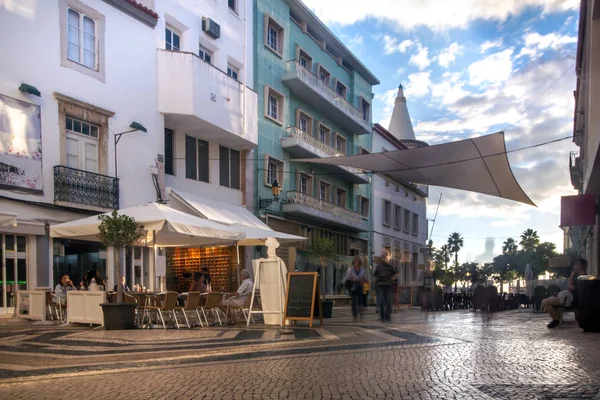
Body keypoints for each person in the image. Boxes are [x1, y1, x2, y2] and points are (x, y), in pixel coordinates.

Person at [542, 258, 587, 329]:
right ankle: (557, 319)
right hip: (568, 297)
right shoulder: (580, 277)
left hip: (570, 299)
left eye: (575, 265)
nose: (574, 267)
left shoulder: (581, 278)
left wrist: (571, 275)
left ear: (580, 266)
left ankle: (556, 319)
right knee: (549, 301)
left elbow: (570, 287)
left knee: (545, 302)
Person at [374, 249, 398, 322]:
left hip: (388, 286)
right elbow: (375, 274)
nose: (384, 257)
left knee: (388, 301)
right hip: (381, 286)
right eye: (382, 255)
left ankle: (388, 316)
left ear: (388, 257)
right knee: (381, 302)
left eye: (385, 255)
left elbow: (394, 275)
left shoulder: (390, 266)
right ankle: (382, 317)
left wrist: (392, 278)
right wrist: (378, 279)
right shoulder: (379, 266)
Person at [345, 256, 367, 321]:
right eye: (355, 262)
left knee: (361, 301)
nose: (356, 263)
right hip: (353, 286)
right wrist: (353, 279)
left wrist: (361, 280)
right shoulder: (350, 269)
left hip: (360, 286)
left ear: (359, 262)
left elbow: (365, 278)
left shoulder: (362, 270)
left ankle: (361, 316)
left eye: (357, 262)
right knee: (354, 301)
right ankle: (355, 315)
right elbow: (347, 277)